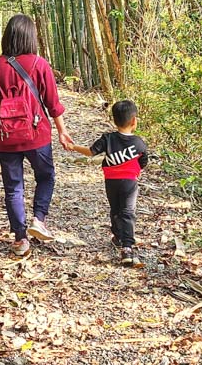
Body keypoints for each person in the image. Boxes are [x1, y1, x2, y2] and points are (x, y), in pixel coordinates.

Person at [0, 14, 74, 256]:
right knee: (46, 176)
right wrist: (62, 131)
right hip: (36, 134)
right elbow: (53, 103)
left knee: (13, 188)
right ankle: (38, 219)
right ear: (31, 37)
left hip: (6, 136)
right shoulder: (39, 64)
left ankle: (20, 239)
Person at [64, 100, 149, 267]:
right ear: (134, 121)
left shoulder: (107, 139)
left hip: (111, 181)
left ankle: (118, 236)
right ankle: (127, 246)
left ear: (114, 120)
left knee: (116, 209)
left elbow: (90, 152)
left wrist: (73, 147)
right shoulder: (139, 143)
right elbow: (143, 161)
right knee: (127, 211)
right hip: (130, 183)